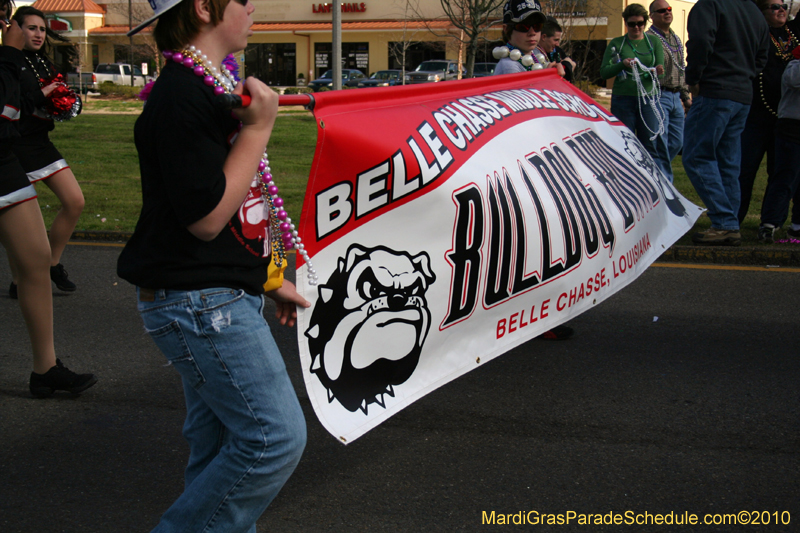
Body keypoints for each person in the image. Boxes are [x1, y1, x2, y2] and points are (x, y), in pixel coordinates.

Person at [118, 0, 308, 530]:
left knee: (222, 443)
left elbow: (240, 205)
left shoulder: (212, 85)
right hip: (200, 304)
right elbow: (205, 217)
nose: (255, 8)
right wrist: (257, 131)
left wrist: (267, 278)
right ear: (204, 7)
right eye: (244, 0)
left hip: (215, 294)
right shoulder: (182, 97)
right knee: (274, 438)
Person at [0, 0, 96, 397]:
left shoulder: (24, 58)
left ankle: (45, 369)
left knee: (37, 263)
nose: (29, 32)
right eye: (25, 25)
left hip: (6, 159)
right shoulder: (9, 56)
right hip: (17, 150)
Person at [7, 6, 84, 298]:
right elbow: (12, 104)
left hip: (41, 144)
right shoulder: (8, 62)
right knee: (24, 223)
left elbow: (56, 97)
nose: (38, 34)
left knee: (75, 200)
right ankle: (19, 281)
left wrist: (67, 104)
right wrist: (42, 95)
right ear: (16, 29)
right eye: (31, 28)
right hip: (14, 145)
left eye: (41, 29)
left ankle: (52, 263)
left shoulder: (44, 61)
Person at [683, 0, 769, 245]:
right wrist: (746, 75)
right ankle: (729, 223)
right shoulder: (753, 11)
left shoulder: (709, 5)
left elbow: (700, 42)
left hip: (715, 90)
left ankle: (724, 221)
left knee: (697, 157)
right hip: (742, 94)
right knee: (728, 162)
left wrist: (694, 78)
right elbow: (763, 55)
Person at [735, 1, 797, 242]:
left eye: (782, 5)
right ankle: (733, 220)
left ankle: (772, 222)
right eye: (773, 6)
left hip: (787, 120)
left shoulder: (793, 34)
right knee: (745, 170)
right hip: (757, 116)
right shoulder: (758, 34)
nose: (780, 10)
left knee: (781, 172)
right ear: (761, 12)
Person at [599, 4, 666, 178]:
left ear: (645, 22)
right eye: (631, 24)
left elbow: (659, 68)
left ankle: (656, 183)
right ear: (625, 23)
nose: (636, 27)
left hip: (648, 98)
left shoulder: (654, 42)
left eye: (640, 23)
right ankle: (627, 179)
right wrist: (622, 64)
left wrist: (656, 70)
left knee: (651, 144)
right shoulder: (617, 43)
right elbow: (604, 72)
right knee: (625, 142)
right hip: (623, 99)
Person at [758, 52, 800, 241]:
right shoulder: (793, 67)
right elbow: (795, 80)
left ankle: (797, 225)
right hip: (792, 128)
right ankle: (769, 223)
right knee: (785, 176)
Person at [646, 0, 690, 182]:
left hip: (675, 95)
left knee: (677, 142)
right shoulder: (648, 38)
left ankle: (654, 172)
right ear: (652, 16)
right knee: (661, 142)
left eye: (669, 9)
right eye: (662, 10)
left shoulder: (675, 38)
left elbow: (681, 67)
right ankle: (666, 186)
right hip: (658, 94)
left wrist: (685, 95)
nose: (667, 13)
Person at [494, 0, 564, 78]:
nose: (532, 32)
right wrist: (549, 78)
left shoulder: (535, 55)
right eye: (523, 26)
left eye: (537, 26)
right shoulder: (509, 66)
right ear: (506, 29)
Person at [539, 17, 576, 83]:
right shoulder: (532, 55)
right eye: (555, 40)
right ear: (543, 37)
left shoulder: (556, 51)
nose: (557, 44)